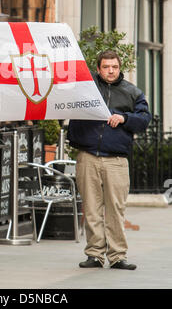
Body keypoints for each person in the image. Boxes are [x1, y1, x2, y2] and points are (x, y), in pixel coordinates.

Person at [67, 50, 151, 270]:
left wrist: (124, 118)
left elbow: (144, 120)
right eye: (106, 67)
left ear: (119, 67)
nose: (110, 71)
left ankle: (117, 256)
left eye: (114, 66)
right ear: (98, 68)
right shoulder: (85, 88)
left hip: (116, 160)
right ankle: (94, 254)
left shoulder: (132, 92)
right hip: (87, 156)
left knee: (115, 208)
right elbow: (64, 97)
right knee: (91, 208)